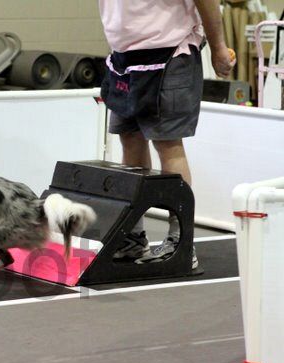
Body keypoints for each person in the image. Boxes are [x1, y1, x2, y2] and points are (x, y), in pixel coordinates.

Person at [99, 0, 235, 268]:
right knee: (130, 139)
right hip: (124, 56)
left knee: (168, 144)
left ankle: (181, 241)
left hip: (169, 52)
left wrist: (218, 47)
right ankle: (133, 237)